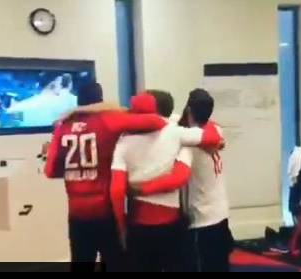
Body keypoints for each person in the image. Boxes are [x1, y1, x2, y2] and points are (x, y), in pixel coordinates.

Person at [44, 83, 166, 272]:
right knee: (116, 263)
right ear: (100, 99)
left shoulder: (63, 126)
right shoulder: (109, 119)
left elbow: (50, 171)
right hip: (105, 212)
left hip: (76, 214)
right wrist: (124, 111)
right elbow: (156, 121)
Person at [109, 90, 224, 272]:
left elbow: (116, 191)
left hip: (138, 222)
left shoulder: (123, 142)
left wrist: (121, 228)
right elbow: (213, 139)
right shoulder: (176, 133)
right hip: (171, 222)